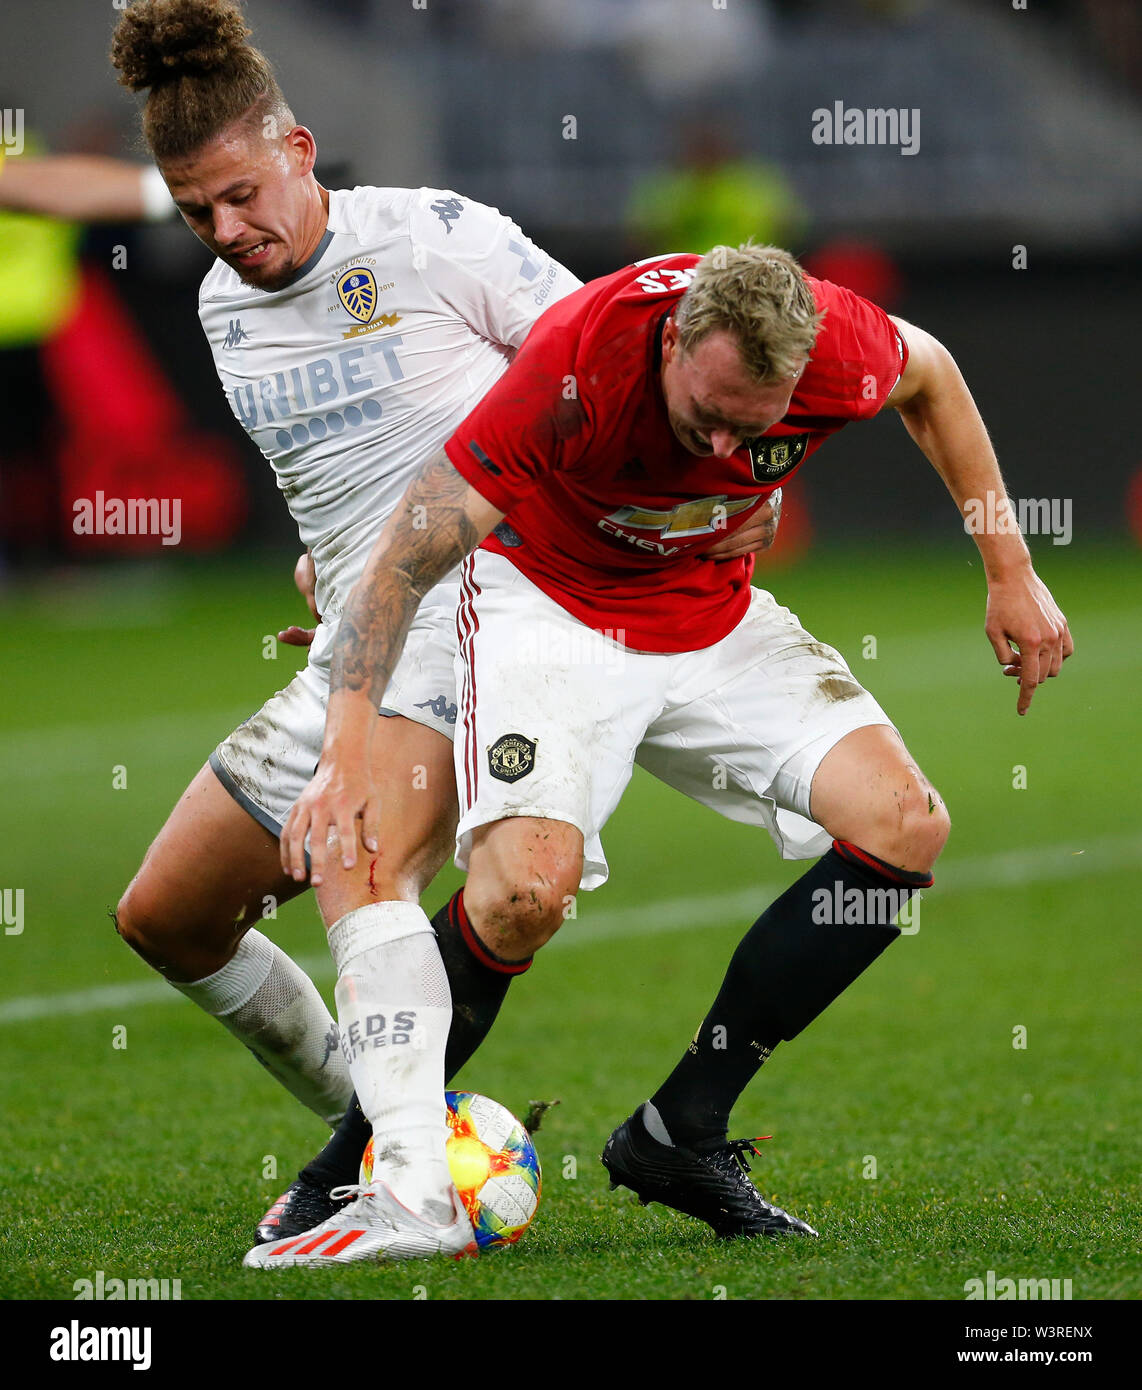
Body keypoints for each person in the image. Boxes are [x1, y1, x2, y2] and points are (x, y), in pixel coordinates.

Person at [94, 0, 777, 1260]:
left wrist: (693, 511)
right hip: (362, 637)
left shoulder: (432, 234)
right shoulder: (218, 311)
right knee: (167, 916)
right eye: (196, 213)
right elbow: (334, 489)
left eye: (243, 194)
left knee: (368, 863)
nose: (228, 232)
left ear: (298, 150)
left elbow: (601, 377)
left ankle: (401, 1177)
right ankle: (387, 1119)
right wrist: (326, 575)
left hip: (486, 616)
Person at [259, 244, 1073, 1266]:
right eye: (708, 418)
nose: (729, 446)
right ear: (675, 340)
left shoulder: (835, 343)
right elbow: (408, 555)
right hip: (549, 611)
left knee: (905, 826)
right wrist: (341, 750)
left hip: (707, 615)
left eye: (754, 426)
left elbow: (933, 377)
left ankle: (678, 1132)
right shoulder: (571, 368)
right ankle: (349, 1159)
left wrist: (1008, 568)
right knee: (522, 897)